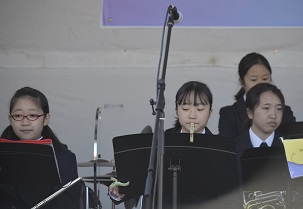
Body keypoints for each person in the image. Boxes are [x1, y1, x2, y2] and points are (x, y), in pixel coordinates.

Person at [110, 81, 242, 209]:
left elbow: (231, 196)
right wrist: (118, 191)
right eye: (185, 108)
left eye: (200, 109)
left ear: (210, 112)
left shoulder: (220, 149)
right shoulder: (161, 142)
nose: (192, 115)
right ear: (176, 110)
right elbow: (139, 181)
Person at [0, 87, 84, 209]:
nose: (25, 122)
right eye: (18, 115)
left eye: (33, 115)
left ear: (46, 119)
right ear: (10, 119)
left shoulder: (64, 158)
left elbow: (69, 204)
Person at [235, 83, 303, 209]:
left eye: (279, 109)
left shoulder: (294, 149)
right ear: (250, 112)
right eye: (266, 108)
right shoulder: (232, 149)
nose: (273, 115)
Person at [218, 52, 296, 139]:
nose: (260, 84)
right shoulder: (229, 114)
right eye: (254, 79)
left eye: (265, 78)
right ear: (242, 82)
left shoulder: (285, 112)